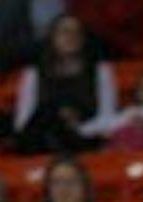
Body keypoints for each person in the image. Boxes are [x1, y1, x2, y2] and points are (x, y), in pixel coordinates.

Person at [11, 14, 117, 153]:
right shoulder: (34, 72)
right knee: (48, 113)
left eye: (76, 32)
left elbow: (107, 117)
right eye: (64, 32)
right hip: (43, 138)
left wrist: (78, 128)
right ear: (53, 37)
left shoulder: (100, 70)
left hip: (85, 136)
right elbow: (23, 121)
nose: (71, 37)